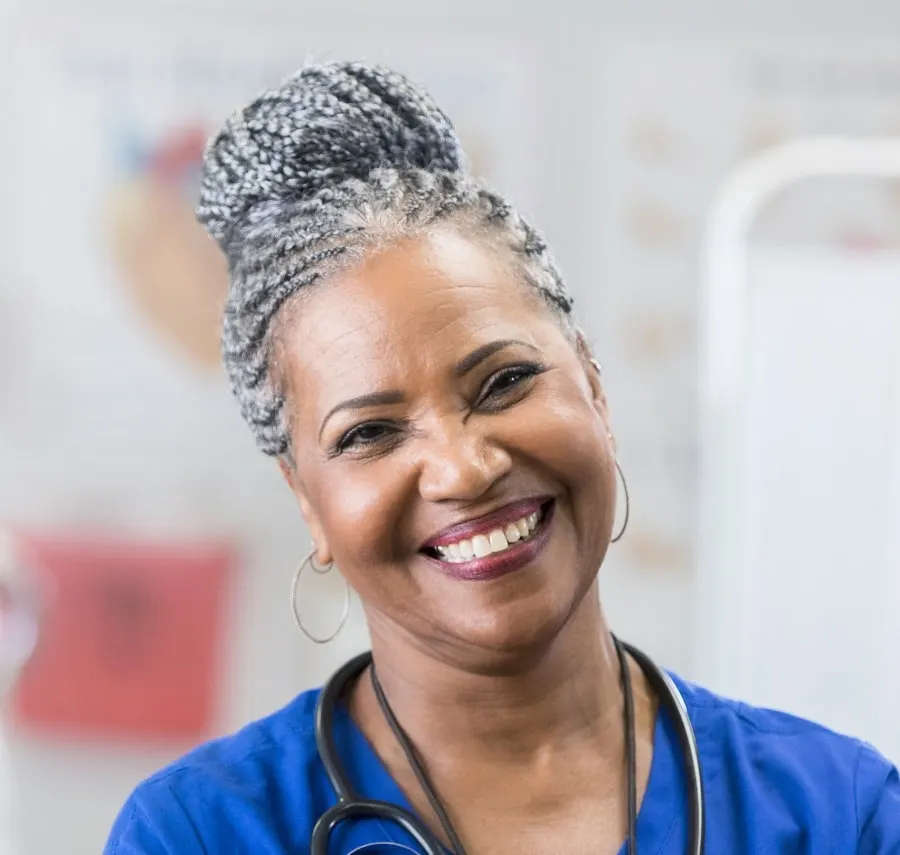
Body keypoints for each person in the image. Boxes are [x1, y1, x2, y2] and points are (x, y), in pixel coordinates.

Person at [104, 61, 900, 854]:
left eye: (505, 381)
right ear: (307, 501)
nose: (465, 468)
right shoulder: (199, 833)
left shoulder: (838, 813)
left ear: (594, 387)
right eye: (371, 433)